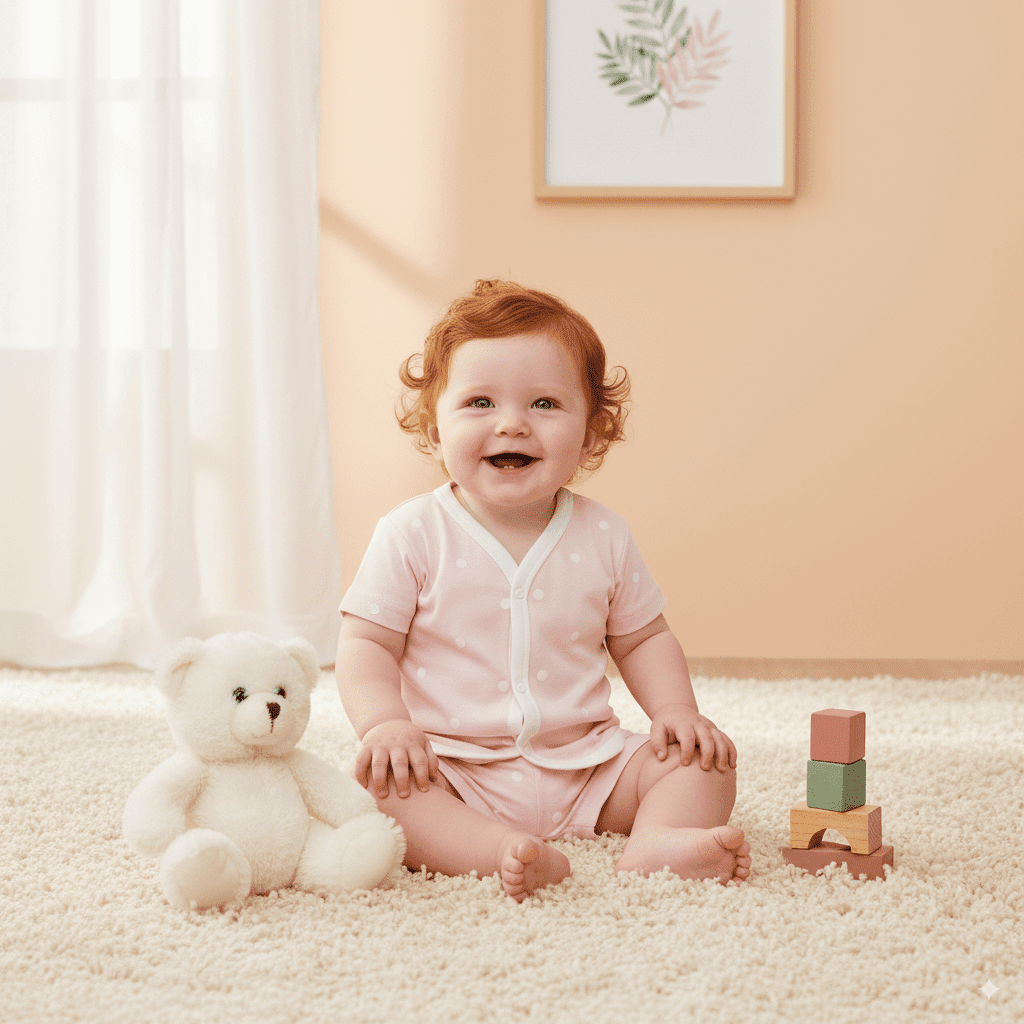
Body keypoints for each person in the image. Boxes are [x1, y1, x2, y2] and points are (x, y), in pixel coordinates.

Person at [335, 280, 751, 900]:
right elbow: (367, 642)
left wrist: (676, 715)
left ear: (590, 434)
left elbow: (643, 639)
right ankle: (497, 850)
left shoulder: (603, 533)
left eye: (545, 404)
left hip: (590, 764)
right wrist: (386, 725)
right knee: (382, 791)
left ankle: (657, 839)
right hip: (453, 766)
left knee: (705, 763)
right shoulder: (412, 533)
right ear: (432, 429)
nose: (512, 424)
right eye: (479, 402)